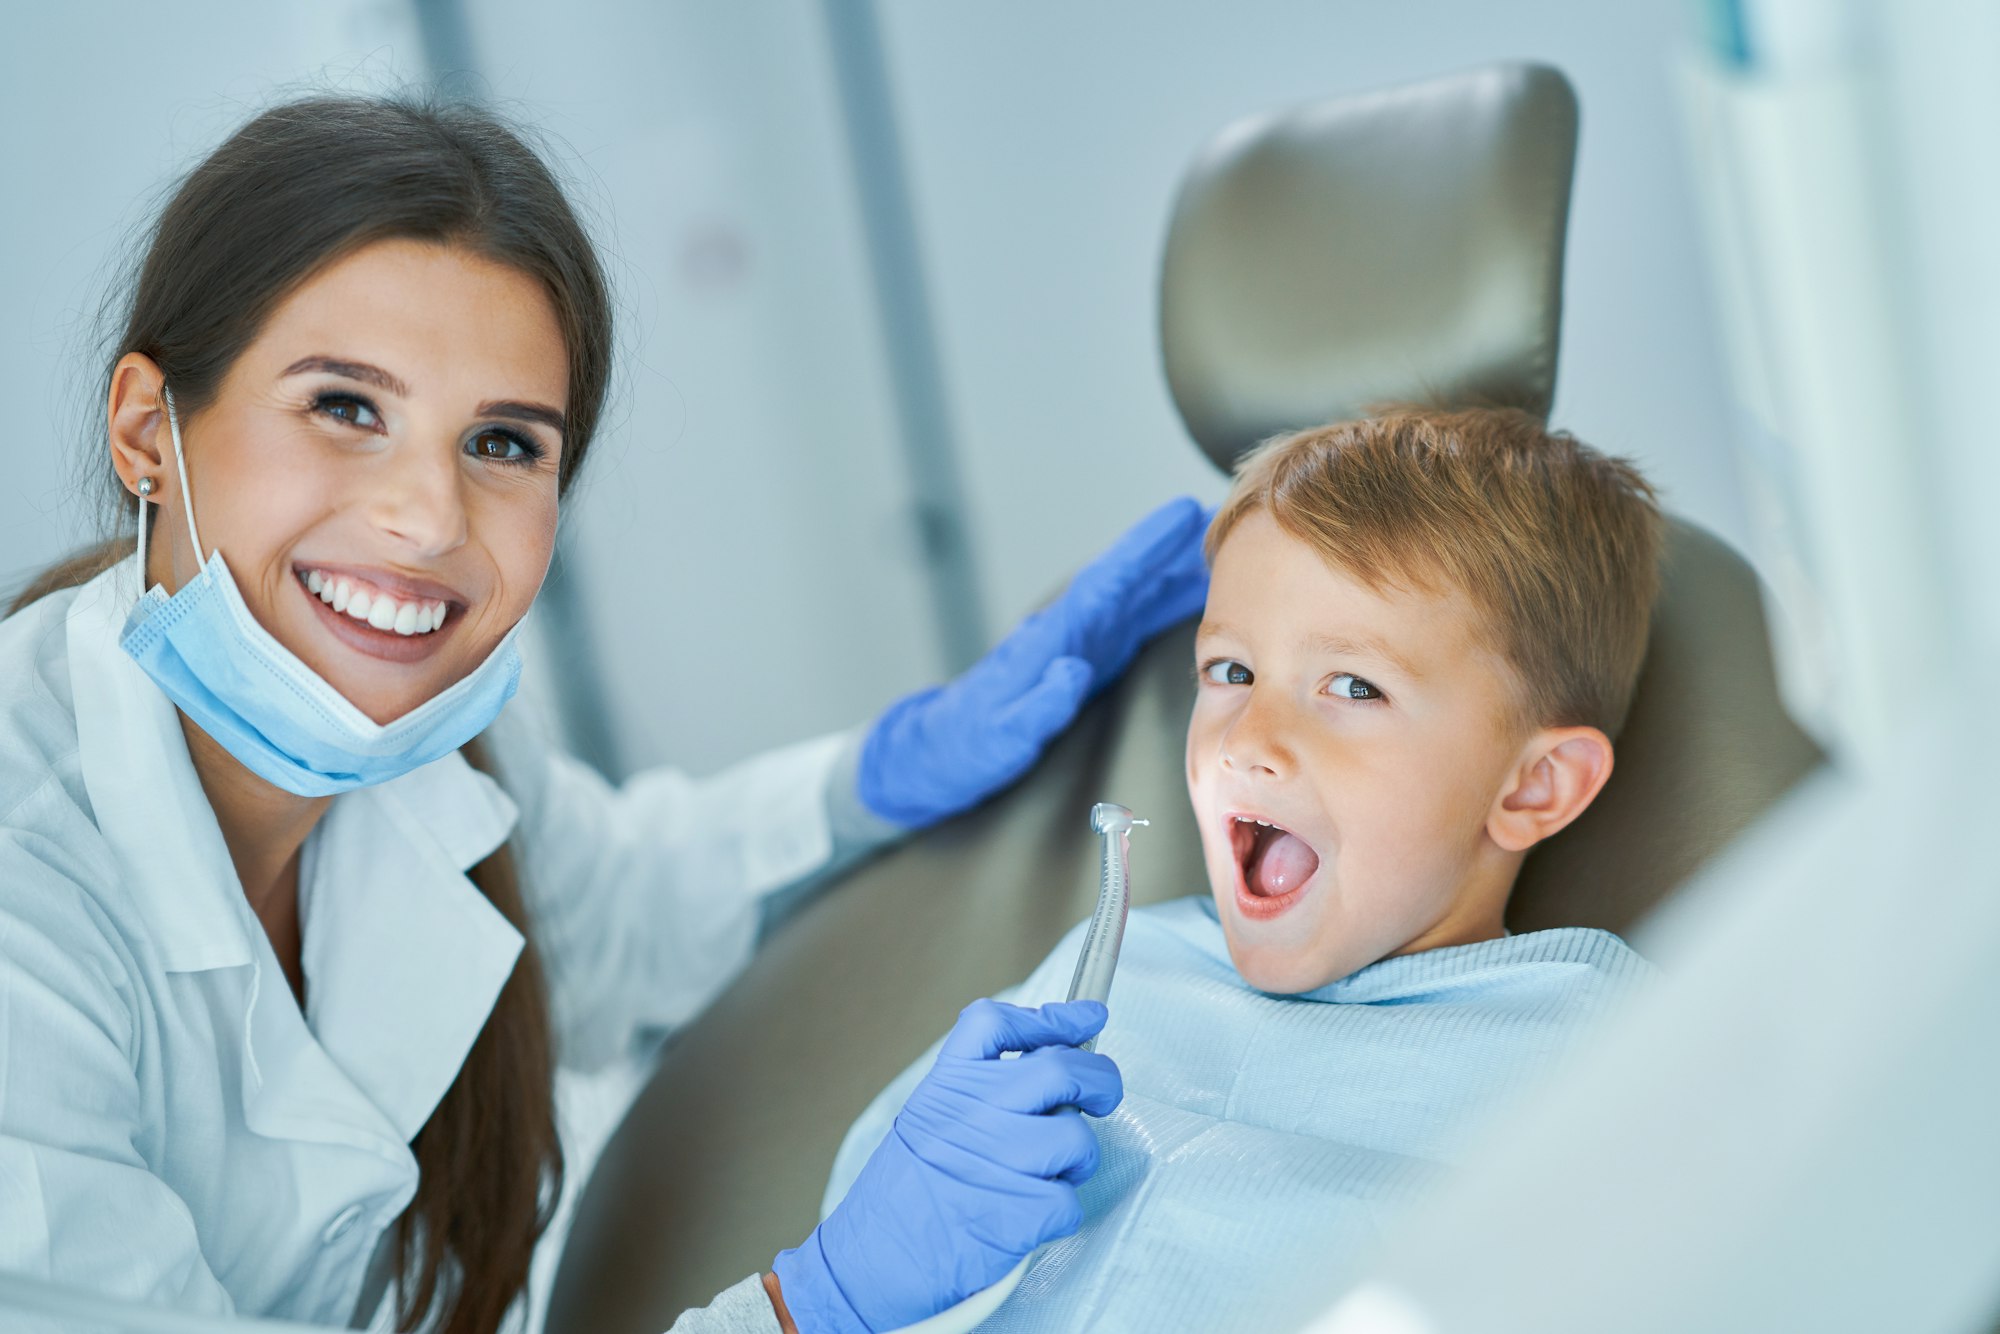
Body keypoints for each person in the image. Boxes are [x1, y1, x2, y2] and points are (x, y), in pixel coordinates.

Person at [0, 95, 1211, 1334]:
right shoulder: (22, 902)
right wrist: (806, 1307)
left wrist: (883, 775)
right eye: (345, 406)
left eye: (503, 442)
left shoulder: (418, 734)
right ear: (150, 430)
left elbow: (613, 913)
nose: (428, 520)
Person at [824, 406, 1667, 1331]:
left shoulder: (1609, 1061)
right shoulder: (1114, 974)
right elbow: (875, 1239)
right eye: (1229, 670)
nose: (1249, 740)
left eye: (1354, 687)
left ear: (1535, 786)